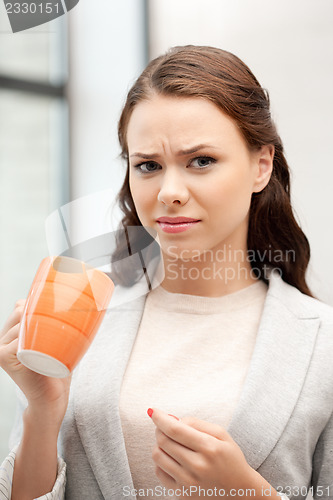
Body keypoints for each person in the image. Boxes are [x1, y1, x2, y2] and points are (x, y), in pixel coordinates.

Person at [0, 45, 333, 500]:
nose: (169, 192)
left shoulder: (322, 344)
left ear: (261, 165)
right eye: (149, 166)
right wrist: (42, 411)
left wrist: (251, 494)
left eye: (201, 161)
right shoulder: (82, 322)